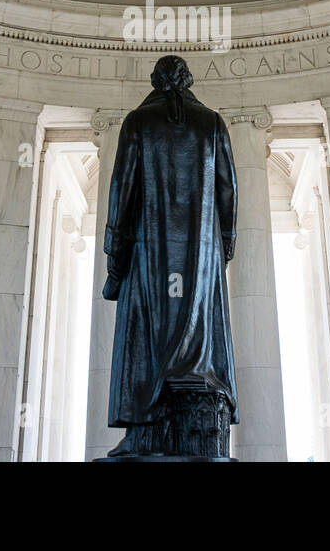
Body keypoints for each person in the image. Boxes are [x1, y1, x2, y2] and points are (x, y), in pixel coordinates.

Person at [101, 55, 238, 459]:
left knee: (145, 335)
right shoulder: (211, 123)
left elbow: (121, 193)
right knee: (201, 338)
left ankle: (142, 429)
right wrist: (222, 251)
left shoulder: (138, 122)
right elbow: (228, 195)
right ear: (188, 80)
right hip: (202, 254)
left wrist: (116, 257)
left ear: (154, 82)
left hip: (149, 251)